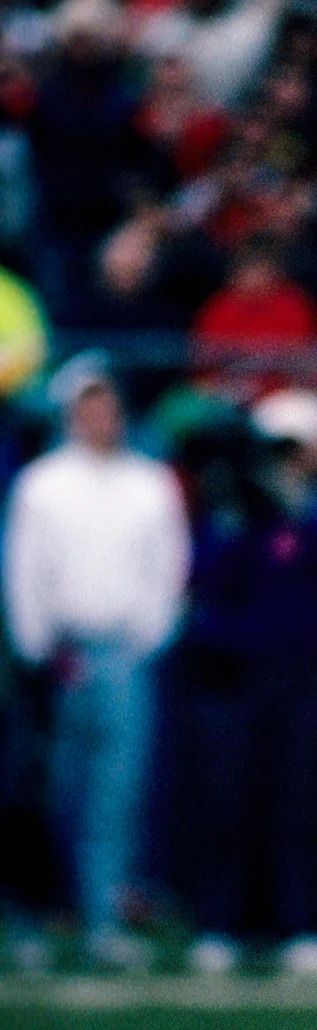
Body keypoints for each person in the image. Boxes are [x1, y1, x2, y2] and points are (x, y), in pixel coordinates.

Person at [174, 388, 317, 976]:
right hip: (240, 681)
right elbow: (206, 589)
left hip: (309, 681)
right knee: (230, 802)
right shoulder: (237, 513)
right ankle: (225, 923)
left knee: (307, 805)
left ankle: (307, 924)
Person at [1, 353, 191, 969]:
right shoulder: (43, 484)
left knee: (117, 792)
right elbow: (25, 567)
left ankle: (102, 915)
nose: (99, 419)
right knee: (51, 788)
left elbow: (168, 565)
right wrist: (36, 645)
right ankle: (39, 914)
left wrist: (147, 636)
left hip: (123, 654)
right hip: (60, 653)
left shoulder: (148, 484)